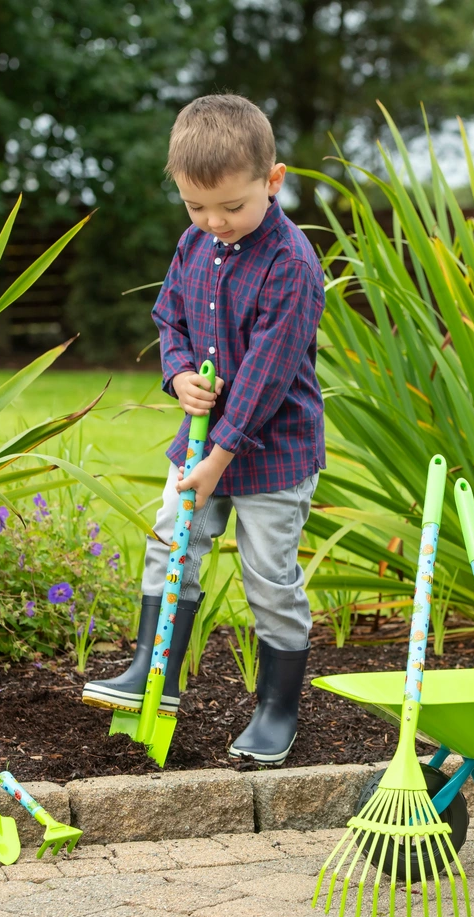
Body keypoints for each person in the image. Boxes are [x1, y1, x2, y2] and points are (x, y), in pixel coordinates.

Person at [82, 94, 325, 765]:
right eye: (196, 207)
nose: (214, 222)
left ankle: (277, 709)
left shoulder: (290, 265)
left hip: (270, 454)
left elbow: (265, 382)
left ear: (272, 182)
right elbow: (171, 319)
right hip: (200, 447)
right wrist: (180, 372)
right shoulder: (196, 244)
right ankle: (146, 672)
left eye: (232, 207)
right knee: (171, 545)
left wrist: (221, 455)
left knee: (269, 578)